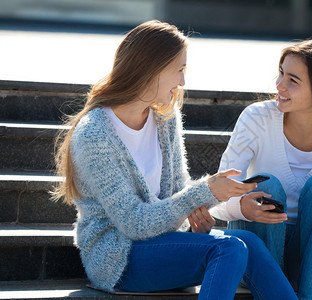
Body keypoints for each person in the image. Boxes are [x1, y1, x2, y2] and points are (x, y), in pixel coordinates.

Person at [52, 20, 297, 299]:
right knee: (228, 248)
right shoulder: (95, 134)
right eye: (179, 70)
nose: (182, 81)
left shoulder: (164, 119)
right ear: (151, 68)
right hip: (119, 258)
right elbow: (133, 222)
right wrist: (203, 192)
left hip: (164, 243)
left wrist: (207, 207)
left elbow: (179, 192)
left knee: (248, 242)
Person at [210, 38, 312, 300]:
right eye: (281, 73)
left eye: (292, 80)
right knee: (266, 187)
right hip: (257, 248)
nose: (279, 85)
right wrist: (242, 206)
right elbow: (216, 196)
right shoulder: (257, 118)